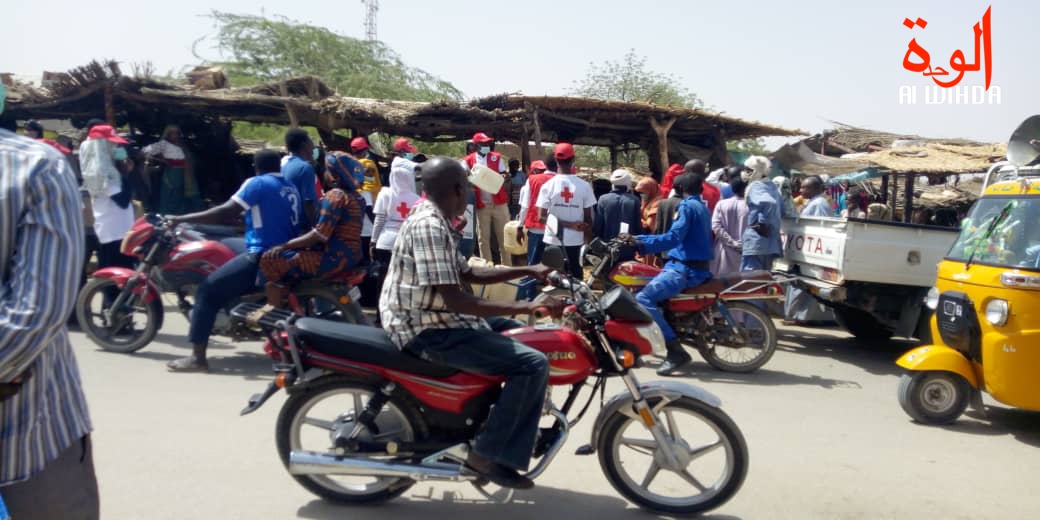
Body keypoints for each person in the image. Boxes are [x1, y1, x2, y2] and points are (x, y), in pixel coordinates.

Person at [379, 157, 563, 489]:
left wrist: (527, 270)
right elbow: (459, 300)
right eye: (467, 187)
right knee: (532, 364)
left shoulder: (439, 220)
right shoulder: (430, 226)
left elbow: (470, 272)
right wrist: (528, 305)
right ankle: (486, 454)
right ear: (458, 189)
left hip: (443, 317)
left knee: (532, 338)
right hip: (427, 328)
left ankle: (497, 421)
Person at [0, 82, 98, 518]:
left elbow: (35, 313)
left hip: (27, 437)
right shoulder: (37, 165)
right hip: (29, 438)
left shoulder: (36, 166)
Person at [165, 149, 300, 372]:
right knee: (230, 247)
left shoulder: (256, 183)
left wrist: (180, 219)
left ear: (256, 167)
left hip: (262, 255)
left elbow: (225, 211)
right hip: (286, 253)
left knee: (207, 291)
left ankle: (198, 359)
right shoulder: (290, 186)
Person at [622, 174, 713, 375]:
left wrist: (640, 241)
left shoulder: (686, 207)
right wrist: (640, 239)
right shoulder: (702, 207)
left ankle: (675, 351)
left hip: (684, 269)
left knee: (643, 298)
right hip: (689, 265)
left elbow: (673, 237)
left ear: (679, 188)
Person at [260, 152, 365, 307]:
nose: (324, 174)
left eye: (327, 170)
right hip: (352, 256)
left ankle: (276, 311)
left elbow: (319, 235)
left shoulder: (336, 196)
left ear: (335, 176)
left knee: (269, 259)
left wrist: (285, 245)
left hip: (333, 258)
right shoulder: (357, 198)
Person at [80, 125, 136, 304]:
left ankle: (120, 316)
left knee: (124, 277)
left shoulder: (111, 170)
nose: (116, 148)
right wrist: (126, 173)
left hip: (122, 231)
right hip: (111, 233)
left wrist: (122, 166)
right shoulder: (101, 173)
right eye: (111, 144)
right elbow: (123, 199)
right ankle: (110, 315)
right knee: (112, 278)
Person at [536, 143, 595, 278]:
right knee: (576, 280)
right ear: (573, 159)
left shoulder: (547, 186)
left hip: (553, 241)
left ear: (556, 161)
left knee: (553, 279)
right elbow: (588, 219)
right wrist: (586, 239)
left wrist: (568, 225)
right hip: (575, 242)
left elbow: (541, 218)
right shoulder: (585, 186)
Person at [783, 176, 836, 324]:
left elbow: (819, 228)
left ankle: (796, 316)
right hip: (806, 249)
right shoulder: (814, 202)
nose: (801, 190)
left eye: (805, 187)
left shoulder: (819, 204)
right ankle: (797, 316)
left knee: (802, 283)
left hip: (811, 251)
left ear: (815, 189)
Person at [372, 147, 420, 293]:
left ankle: (381, 314)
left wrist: (373, 241)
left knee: (383, 283)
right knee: (402, 282)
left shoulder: (385, 193)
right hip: (406, 243)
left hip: (385, 242)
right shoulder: (416, 199)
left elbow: (379, 219)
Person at [465, 132, 512, 266]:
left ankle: (507, 268)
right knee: (483, 239)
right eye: (483, 144)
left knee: (504, 237)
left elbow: (504, 175)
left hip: (499, 204)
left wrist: (503, 177)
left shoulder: (496, 157)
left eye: (487, 143)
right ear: (475, 145)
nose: (486, 146)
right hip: (482, 205)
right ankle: (488, 268)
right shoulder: (468, 160)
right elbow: (465, 179)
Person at [142, 125, 203, 215]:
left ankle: (181, 214)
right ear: (168, 134)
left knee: (181, 193)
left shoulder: (182, 144)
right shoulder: (163, 144)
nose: (175, 135)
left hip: (185, 173)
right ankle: (168, 215)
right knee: (171, 194)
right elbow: (146, 151)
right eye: (172, 133)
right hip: (171, 174)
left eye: (177, 133)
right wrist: (162, 160)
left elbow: (189, 158)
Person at [741, 155, 784, 271]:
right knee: (764, 279)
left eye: (748, 170)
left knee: (752, 280)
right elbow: (782, 209)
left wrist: (761, 223)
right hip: (770, 244)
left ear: (756, 172)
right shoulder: (773, 187)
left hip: (756, 241)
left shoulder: (756, 186)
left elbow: (768, 203)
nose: (744, 172)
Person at [593, 169, 643, 261]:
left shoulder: (603, 199)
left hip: (607, 247)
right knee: (625, 273)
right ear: (628, 183)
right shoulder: (634, 200)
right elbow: (638, 226)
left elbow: (598, 225)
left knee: (607, 273)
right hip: (627, 247)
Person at [281, 128, 318, 231]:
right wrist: (317, 229)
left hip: (287, 223)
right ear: (304, 145)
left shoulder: (285, 165)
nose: (313, 146)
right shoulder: (305, 168)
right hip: (302, 227)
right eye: (311, 141)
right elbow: (308, 203)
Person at [711, 179, 749, 276]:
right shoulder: (752, 206)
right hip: (745, 250)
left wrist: (731, 242)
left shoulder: (721, 204)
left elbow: (716, 226)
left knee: (722, 284)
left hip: (724, 249)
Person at [518, 159, 552, 265]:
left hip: (536, 228)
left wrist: (519, 226)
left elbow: (525, 206)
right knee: (552, 265)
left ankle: (533, 280)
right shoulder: (558, 179)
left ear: (533, 171)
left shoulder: (532, 180)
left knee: (534, 263)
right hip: (554, 230)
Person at [634, 177, 663, 267]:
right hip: (645, 240)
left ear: (651, 189)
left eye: (643, 192)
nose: (642, 195)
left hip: (652, 240)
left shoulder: (657, 202)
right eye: (640, 193)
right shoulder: (647, 200)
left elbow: (650, 226)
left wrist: (636, 220)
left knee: (650, 267)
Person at [358, 158, 380, 263]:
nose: (371, 174)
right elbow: (368, 210)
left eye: (373, 171)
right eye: (367, 171)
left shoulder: (374, 188)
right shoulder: (364, 190)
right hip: (367, 229)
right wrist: (378, 226)